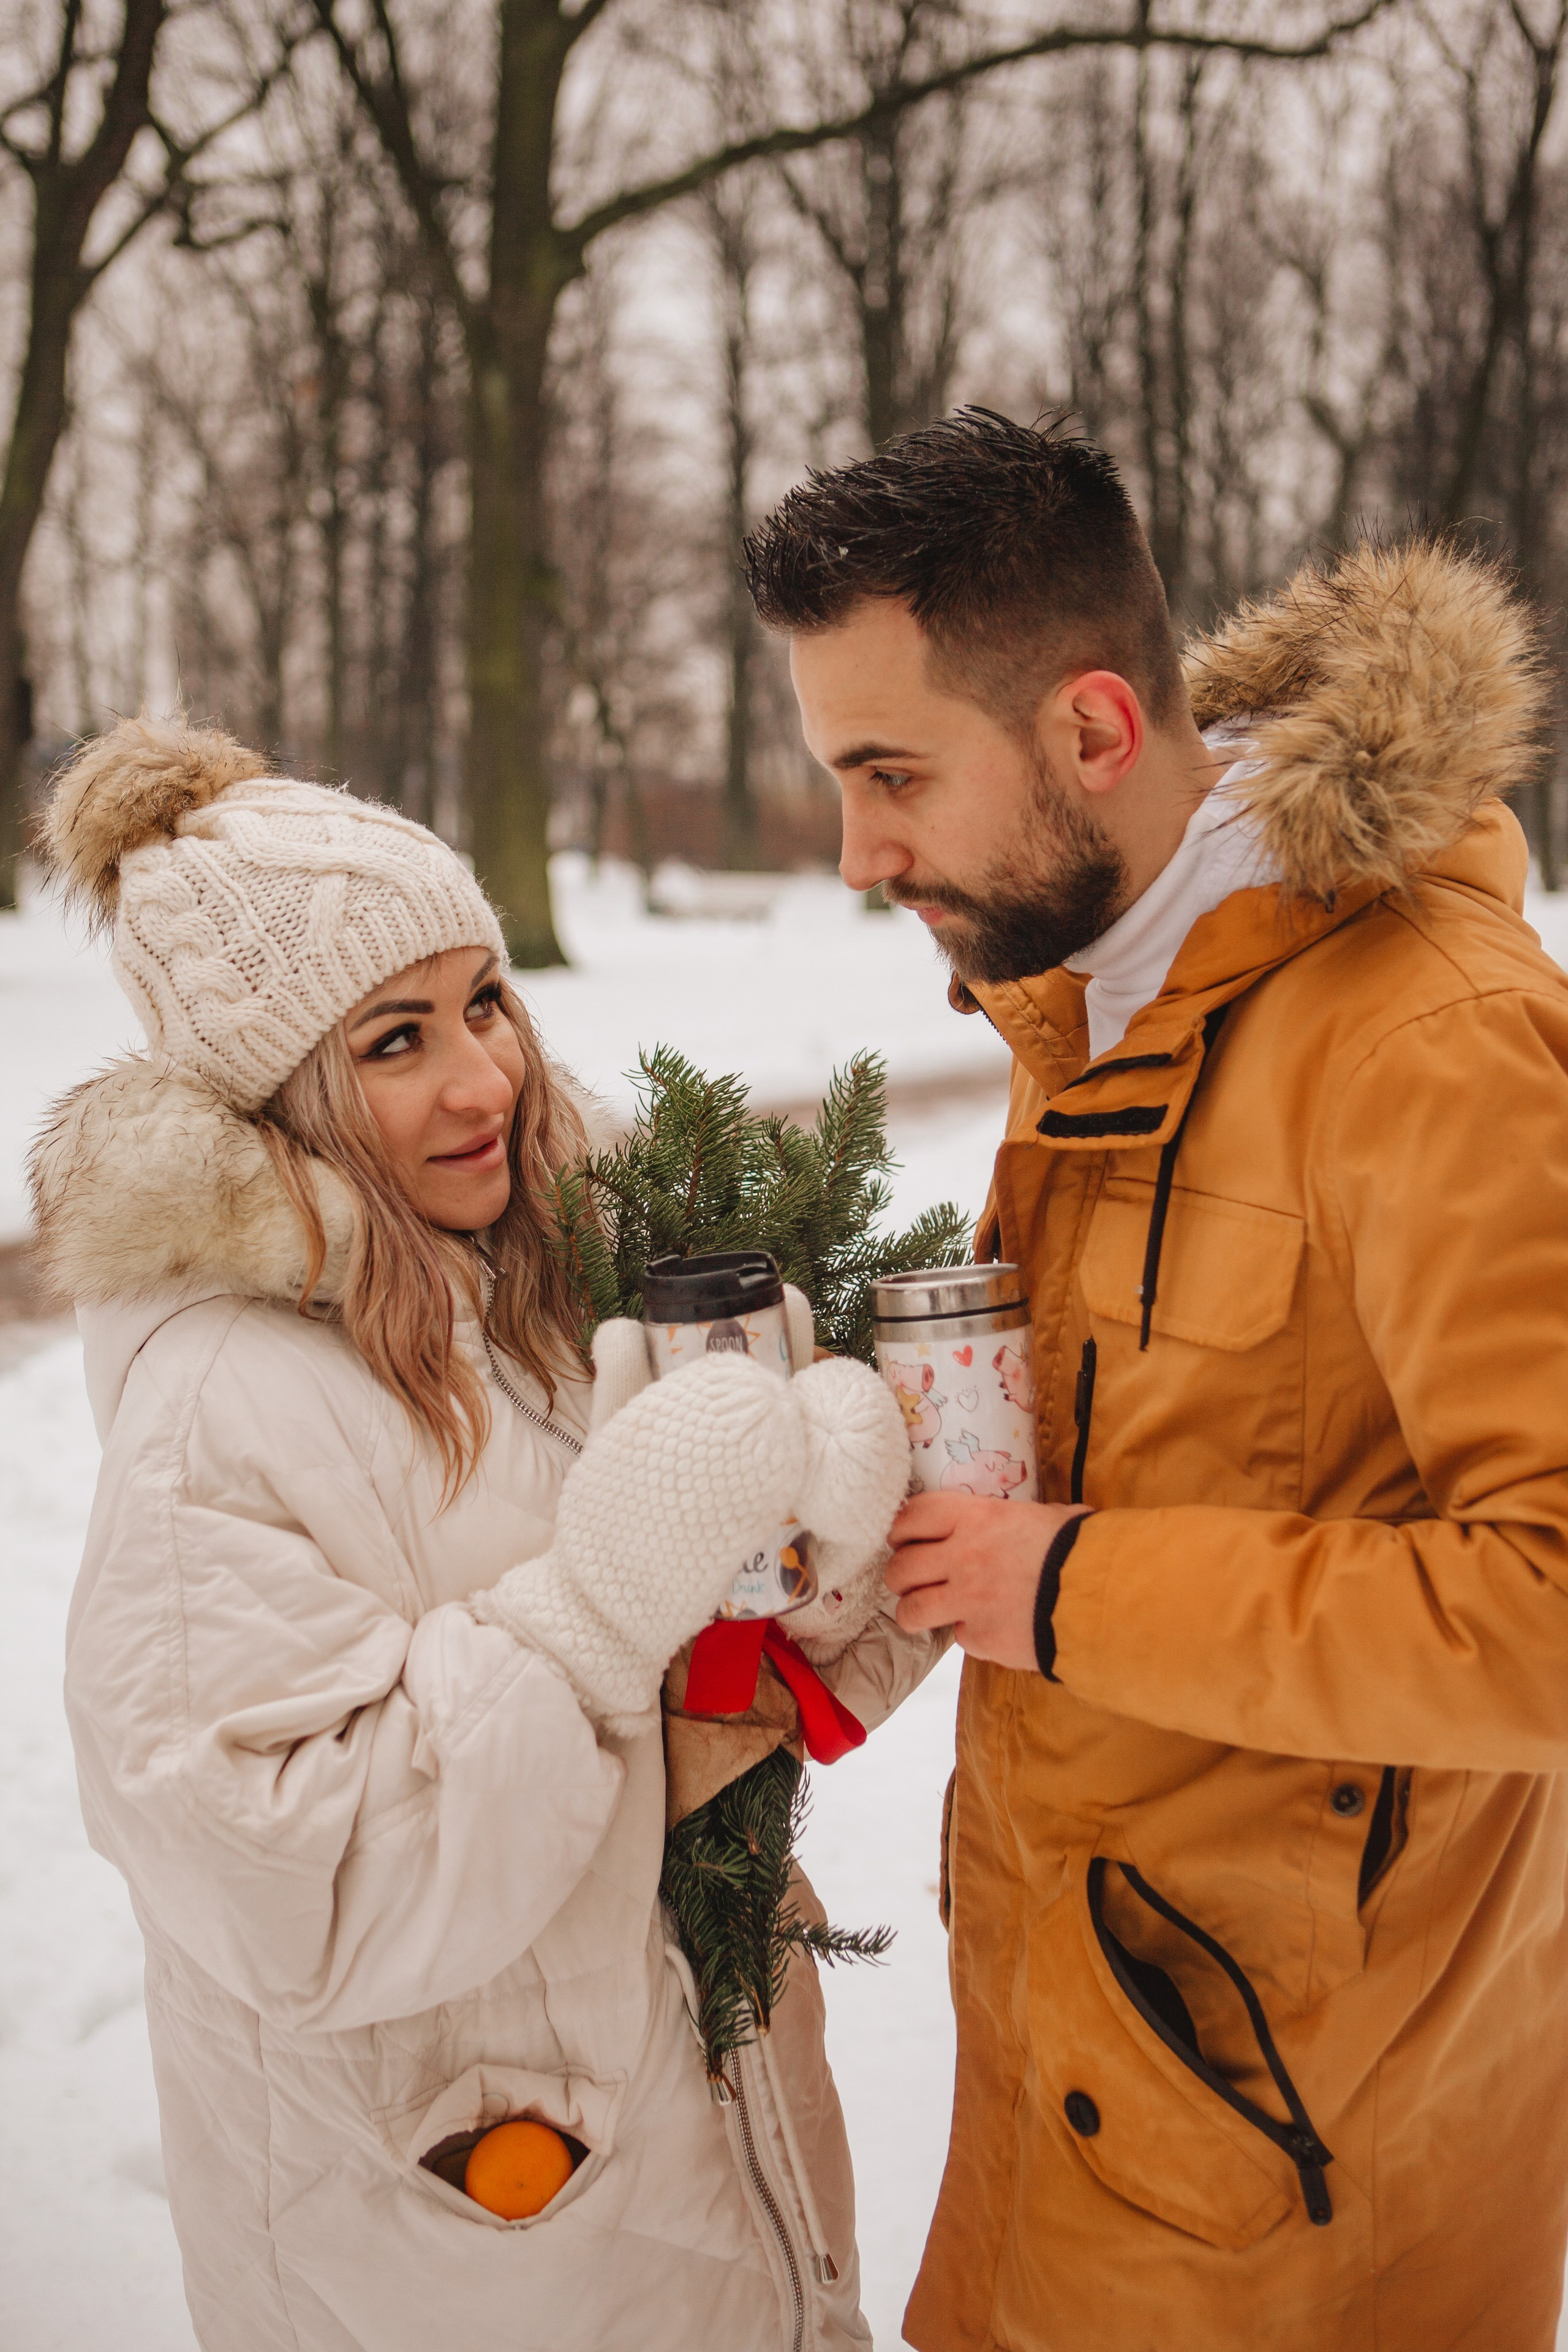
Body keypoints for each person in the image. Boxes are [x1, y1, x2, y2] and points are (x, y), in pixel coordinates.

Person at [745, 407, 1568, 2351]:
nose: (860, 854)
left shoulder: (1437, 1047)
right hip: (1078, 2094)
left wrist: (1063, 1584)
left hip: (1302, 2183)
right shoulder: (1106, 999)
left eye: (891, 776)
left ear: (1096, 734)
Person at [29, 716, 930, 2352]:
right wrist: (590, 1606)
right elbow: (295, 1878)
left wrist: (813, 1565)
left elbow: (693, 1699)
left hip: (700, 2165)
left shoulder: (531, 1294)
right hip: (457, 2254)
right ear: (280, 1098)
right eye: (393, 1041)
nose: (483, 1078)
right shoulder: (215, 1405)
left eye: (486, 1002)